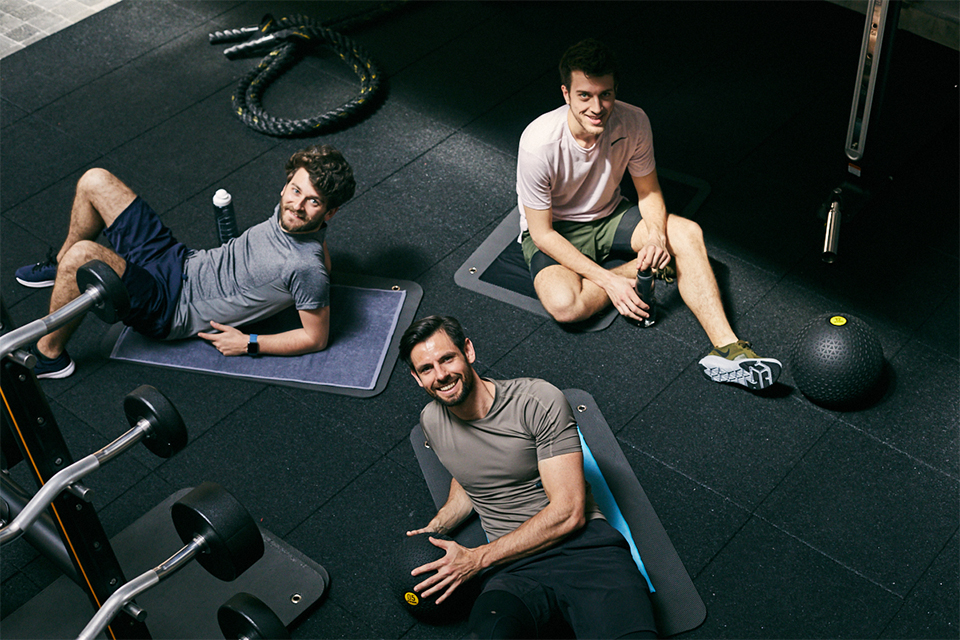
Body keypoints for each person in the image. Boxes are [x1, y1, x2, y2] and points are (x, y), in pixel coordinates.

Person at [517, 38, 781, 390]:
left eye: (605, 94)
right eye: (584, 95)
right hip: (559, 229)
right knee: (566, 306)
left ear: (615, 90)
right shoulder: (538, 144)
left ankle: (730, 350)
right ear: (566, 93)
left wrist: (656, 237)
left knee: (686, 234)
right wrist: (612, 281)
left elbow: (649, 191)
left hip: (609, 216)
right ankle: (640, 270)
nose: (597, 107)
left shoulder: (633, 120)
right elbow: (542, 234)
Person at [399, 315, 658, 639]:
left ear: (468, 350)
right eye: (426, 369)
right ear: (416, 377)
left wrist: (476, 559)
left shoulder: (537, 401)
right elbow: (468, 477)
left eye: (447, 358)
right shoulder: (432, 420)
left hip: (586, 552)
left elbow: (569, 512)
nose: (441, 375)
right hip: (515, 568)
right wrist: (435, 528)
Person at [14, 144, 355, 379]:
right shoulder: (296, 220)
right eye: (295, 190)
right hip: (180, 261)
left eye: (313, 201)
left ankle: (49, 357)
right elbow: (318, 248)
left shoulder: (306, 266)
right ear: (285, 186)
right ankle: (62, 269)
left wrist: (249, 343)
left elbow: (316, 338)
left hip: (171, 306)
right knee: (95, 180)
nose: (297, 205)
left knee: (84, 256)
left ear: (330, 211)